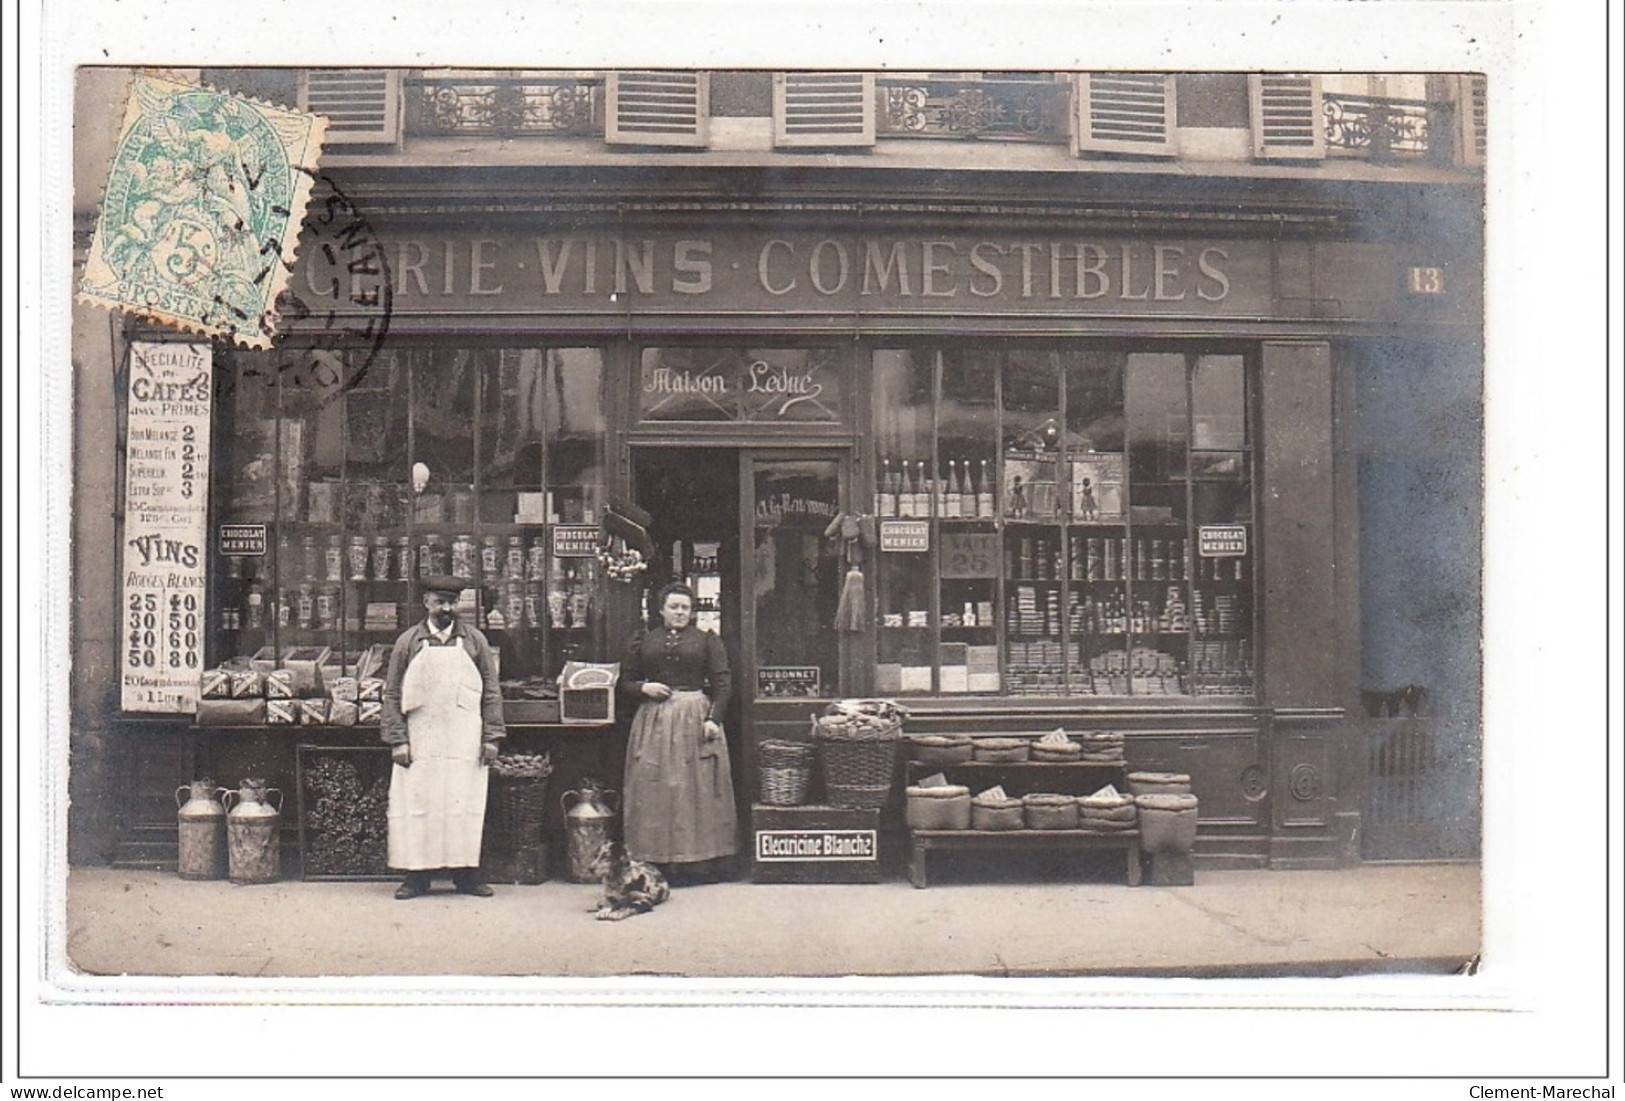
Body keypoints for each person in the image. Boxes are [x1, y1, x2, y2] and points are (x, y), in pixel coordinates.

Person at [381, 575, 505, 899]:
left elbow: (491, 693)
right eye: (439, 602)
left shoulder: (474, 641)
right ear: (426, 604)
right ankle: (415, 878)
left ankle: (466, 877)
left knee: (462, 804)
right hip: (421, 737)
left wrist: (491, 738)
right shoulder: (408, 642)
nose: (446, 609)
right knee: (419, 803)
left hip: (464, 738)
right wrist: (398, 740)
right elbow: (392, 693)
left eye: (451, 602)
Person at [619, 582, 736, 884]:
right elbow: (625, 682)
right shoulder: (645, 640)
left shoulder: (707, 641)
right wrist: (644, 687)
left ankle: (698, 864)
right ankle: (657, 860)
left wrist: (714, 719)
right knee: (657, 787)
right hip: (654, 720)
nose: (680, 612)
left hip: (695, 718)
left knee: (694, 789)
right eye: (674, 607)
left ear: (692, 611)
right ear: (662, 611)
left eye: (685, 607)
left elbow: (723, 683)